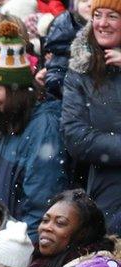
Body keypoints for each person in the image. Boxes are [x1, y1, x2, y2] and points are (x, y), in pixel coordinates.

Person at [0, 22, 67, 237]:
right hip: (0, 239)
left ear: (16, 91)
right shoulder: (5, 119)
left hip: (18, 244)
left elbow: (42, 201)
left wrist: (22, 249)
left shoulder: (44, 128)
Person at [62, 0, 121, 234]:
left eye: (113, 16)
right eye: (98, 14)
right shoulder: (81, 71)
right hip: (108, 195)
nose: (102, 23)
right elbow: (75, 136)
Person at [43, 0, 91, 99]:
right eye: (84, 0)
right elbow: (57, 70)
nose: (90, 4)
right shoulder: (66, 28)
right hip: (70, 97)